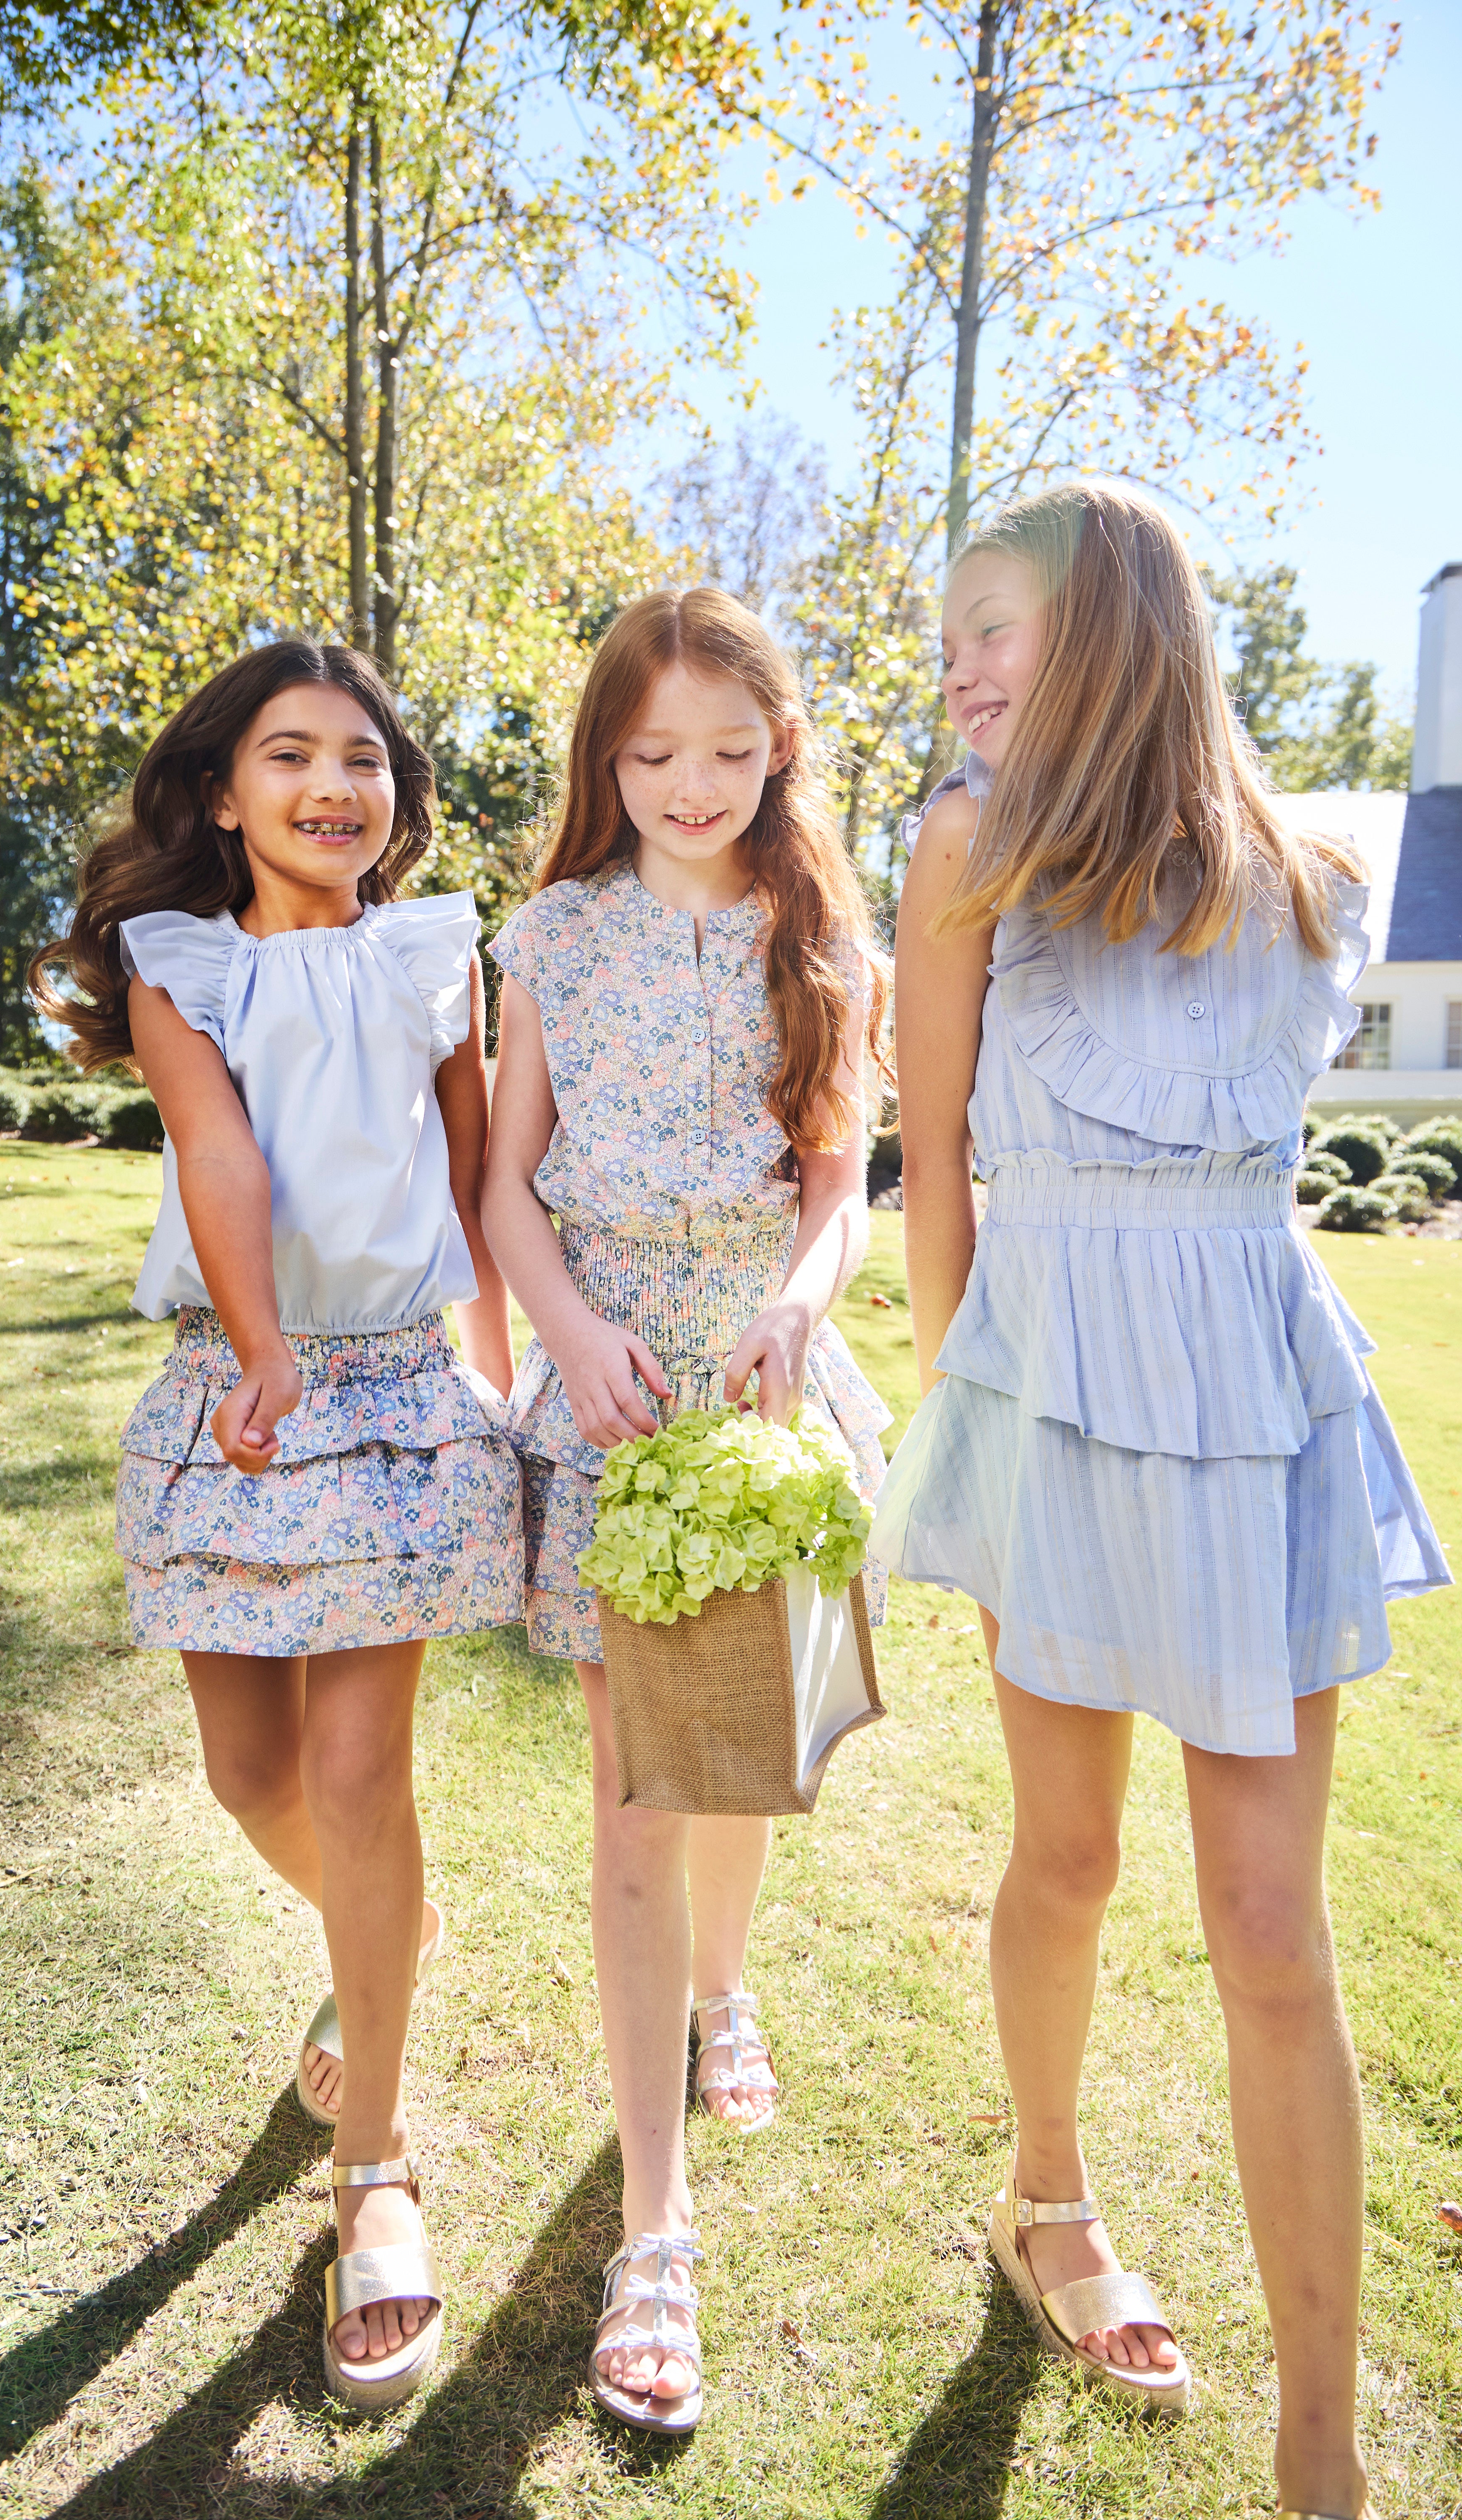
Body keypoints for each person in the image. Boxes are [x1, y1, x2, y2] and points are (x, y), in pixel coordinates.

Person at [876, 480, 1446, 2520]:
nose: (957, 664)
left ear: (1113, 630)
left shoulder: (1309, 874)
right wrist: (965, 1421)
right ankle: (1046, 2198)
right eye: (948, 632)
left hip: (1252, 1397)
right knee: (1067, 1860)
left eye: (994, 625)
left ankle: (1322, 2444)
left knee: (1271, 1931)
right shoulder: (964, 851)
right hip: (1055, 1398)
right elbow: (930, 1166)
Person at [30, 639, 521, 2413]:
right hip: (241, 1390)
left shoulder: (425, 953)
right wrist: (255, 1356)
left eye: (366, 758)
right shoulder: (182, 969)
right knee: (252, 1779)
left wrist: (496, 1366)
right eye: (291, 753)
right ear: (221, 793)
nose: (336, 785)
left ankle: (375, 2167)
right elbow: (218, 1155)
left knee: (355, 1776)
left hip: (386, 1397)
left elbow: (476, 1168)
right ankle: (383, 1944)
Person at [481, 587, 891, 2436]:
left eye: (731, 748)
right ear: (606, 758)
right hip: (609, 1393)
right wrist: (564, 1338)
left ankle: (729, 1989)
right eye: (653, 754)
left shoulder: (825, 942)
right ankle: (656, 2231)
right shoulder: (550, 939)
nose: (692, 784)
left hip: (755, 1384)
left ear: (781, 743)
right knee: (636, 1792)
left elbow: (838, 1187)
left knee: (738, 1761)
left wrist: (804, 1299)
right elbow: (503, 1193)